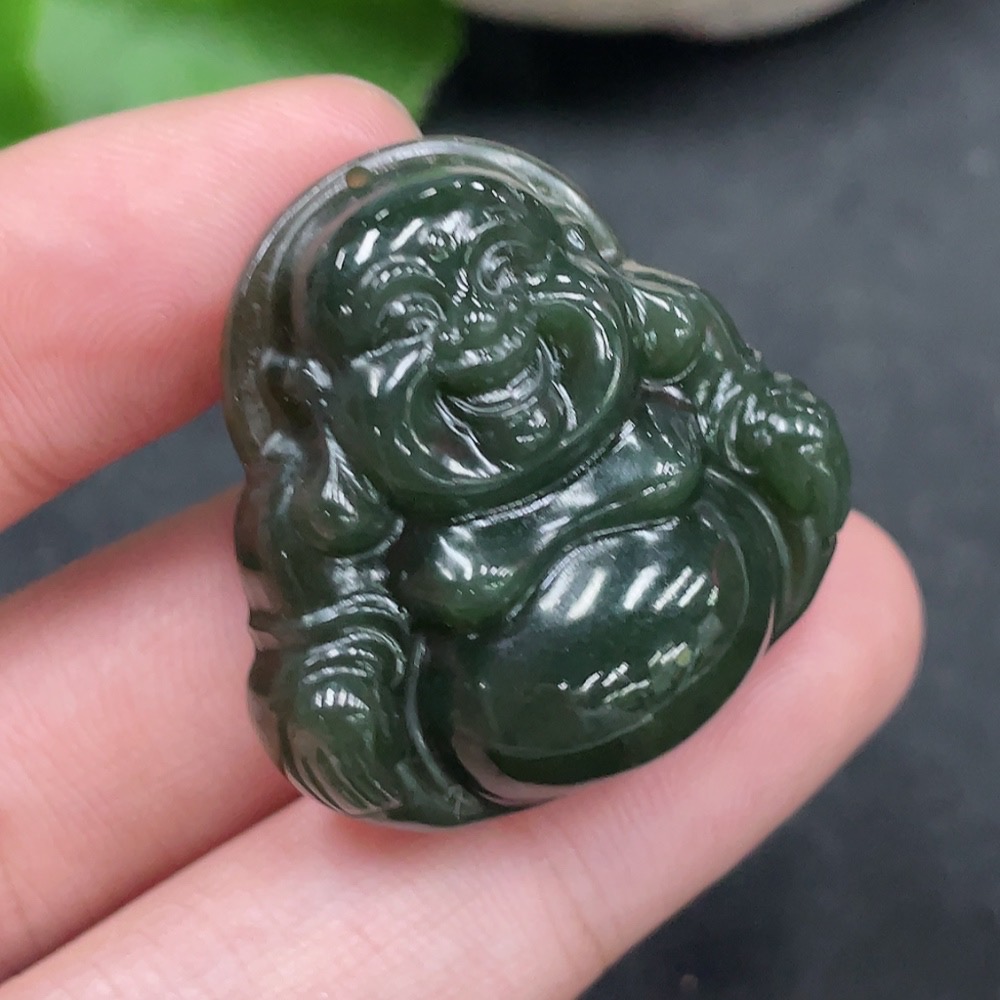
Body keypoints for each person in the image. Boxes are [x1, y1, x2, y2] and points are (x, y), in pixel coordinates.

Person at [0, 77, 922, 998]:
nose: (484, 337)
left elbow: (738, 404)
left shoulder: (659, 339)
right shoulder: (332, 501)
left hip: (732, 600)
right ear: (322, 396)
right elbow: (327, 642)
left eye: (509, 277)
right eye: (409, 320)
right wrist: (336, 709)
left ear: (587, 272)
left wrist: (777, 438)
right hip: (500, 736)